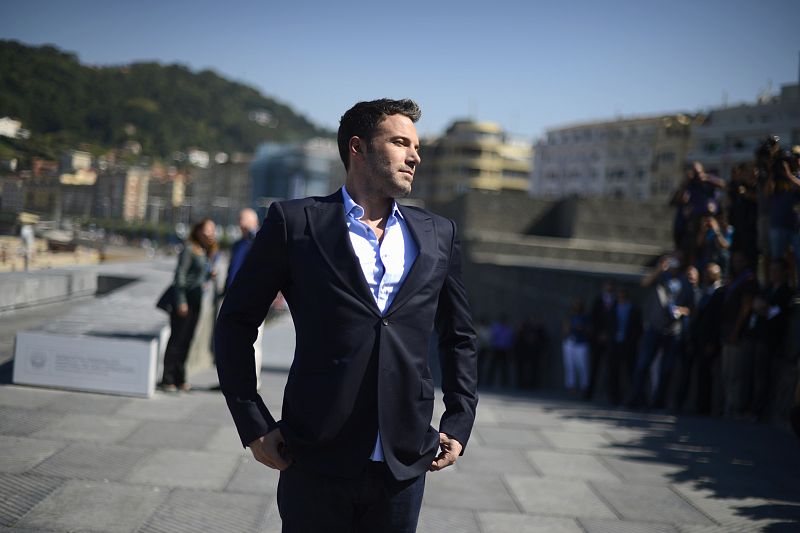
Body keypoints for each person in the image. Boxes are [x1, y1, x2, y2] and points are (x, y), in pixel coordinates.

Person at [215, 98, 478, 533]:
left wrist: (459, 419)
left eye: (416, 146)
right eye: (399, 142)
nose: (414, 156)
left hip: (405, 461)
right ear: (358, 148)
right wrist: (253, 422)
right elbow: (236, 322)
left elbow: (460, 336)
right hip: (314, 455)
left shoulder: (439, 233)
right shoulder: (294, 223)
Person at [160, 218, 218, 392]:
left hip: (196, 300)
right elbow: (180, 277)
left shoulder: (205, 251)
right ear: (198, 231)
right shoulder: (189, 249)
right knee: (177, 340)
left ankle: (180, 378)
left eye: (213, 230)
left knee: (187, 340)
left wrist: (210, 276)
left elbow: (198, 278)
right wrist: (181, 302)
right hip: (183, 301)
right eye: (208, 229)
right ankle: (167, 378)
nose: (211, 233)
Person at [219, 208, 263, 390]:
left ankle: (253, 382)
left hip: (254, 299)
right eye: (239, 219)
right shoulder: (238, 243)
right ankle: (231, 379)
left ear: (254, 222)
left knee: (255, 342)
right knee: (231, 341)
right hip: (232, 296)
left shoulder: (259, 240)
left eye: (243, 219)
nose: (240, 223)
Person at [605, 286, 642, 406]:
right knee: (614, 372)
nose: (621, 297)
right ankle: (614, 397)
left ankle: (635, 397)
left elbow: (637, 327)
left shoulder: (633, 308)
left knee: (631, 371)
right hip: (615, 344)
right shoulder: (614, 308)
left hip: (628, 344)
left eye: (623, 295)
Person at [562, 299, 590, 396]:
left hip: (581, 343)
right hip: (570, 342)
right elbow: (565, 329)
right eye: (575, 305)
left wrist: (581, 328)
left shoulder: (586, 317)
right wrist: (568, 328)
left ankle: (584, 386)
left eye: (578, 305)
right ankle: (570, 386)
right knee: (569, 365)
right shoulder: (570, 316)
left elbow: (588, 330)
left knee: (582, 366)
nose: (576, 307)